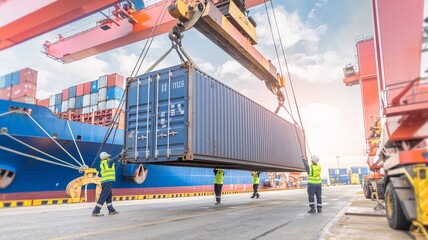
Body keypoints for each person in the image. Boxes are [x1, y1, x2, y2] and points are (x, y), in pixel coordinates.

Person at [92, 149, 125, 217]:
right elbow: (114, 159)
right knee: (103, 196)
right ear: (106, 157)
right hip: (107, 182)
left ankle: (111, 210)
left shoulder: (104, 163)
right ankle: (96, 211)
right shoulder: (108, 162)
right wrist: (121, 154)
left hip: (105, 181)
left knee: (108, 196)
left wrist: (120, 158)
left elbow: (115, 162)